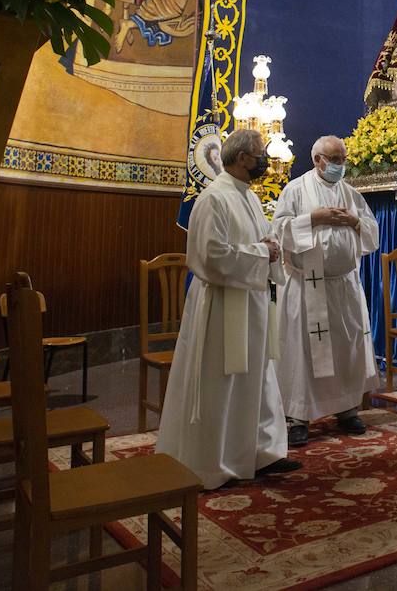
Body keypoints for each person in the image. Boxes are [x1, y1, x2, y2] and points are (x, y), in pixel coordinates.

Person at [155, 129, 300, 489]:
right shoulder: (213, 199)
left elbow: (261, 240)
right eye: (260, 155)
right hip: (221, 305)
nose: (264, 161)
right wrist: (261, 252)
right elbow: (210, 256)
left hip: (250, 300)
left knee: (256, 379)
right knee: (222, 382)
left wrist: (269, 246)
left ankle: (257, 452)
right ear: (241, 158)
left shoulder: (247, 197)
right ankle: (214, 462)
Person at [274, 135, 380, 446]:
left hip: (343, 285)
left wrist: (355, 221)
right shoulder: (295, 190)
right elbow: (279, 230)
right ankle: (298, 417)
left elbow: (372, 232)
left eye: (343, 160)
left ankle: (346, 408)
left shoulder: (350, 193)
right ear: (318, 160)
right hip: (307, 285)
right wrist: (313, 219)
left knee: (345, 350)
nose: (340, 166)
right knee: (303, 352)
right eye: (335, 160)